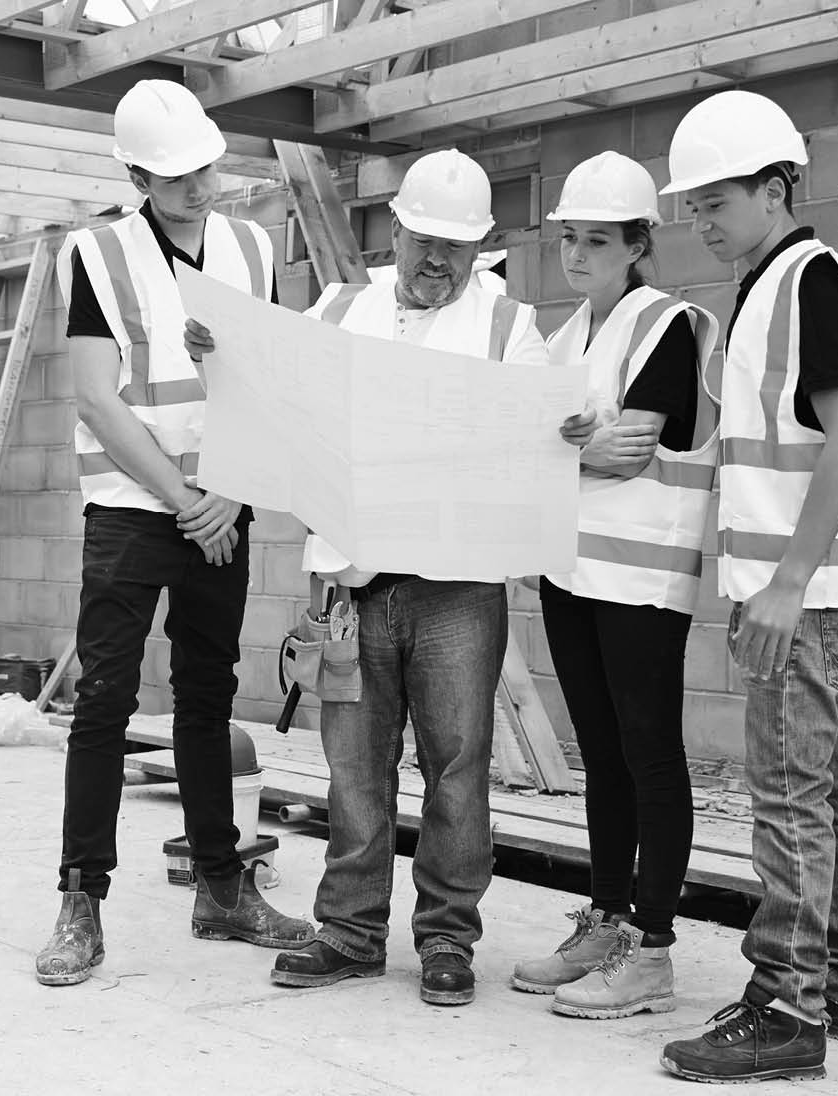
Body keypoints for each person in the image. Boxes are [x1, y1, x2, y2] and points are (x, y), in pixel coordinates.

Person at [653, 91, 838, 1081]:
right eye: (690, 205)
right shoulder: (772, 286)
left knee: (786, 800)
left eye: (714, 200)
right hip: (806, 590)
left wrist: (786, 582)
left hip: (801, 596)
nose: (699, 220)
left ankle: (784, 1007)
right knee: (830, 796)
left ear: (774, 189)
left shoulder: (808, 281)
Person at [236, 150, 549, 1006]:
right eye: (423, 242)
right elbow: (279, 412)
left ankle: (448, 940)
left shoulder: (506, 327)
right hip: (349, 582)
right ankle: (349, 931)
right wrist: (220, 357)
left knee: (458, 768)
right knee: (353, 770)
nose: (437, 261)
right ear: (397, 232)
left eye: (455, 245)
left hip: (457, 586)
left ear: (480, 243)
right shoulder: (338, 308)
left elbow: (527, 436)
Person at [35, 79, 312, 988]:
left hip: (221, 504)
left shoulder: (250, 244)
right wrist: (184, 496)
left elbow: (268, 378)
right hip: (131, 504)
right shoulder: (97, 253)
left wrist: (225, 495)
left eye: (205, 167)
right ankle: (82, 899)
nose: (199, 186)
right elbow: (94, 396)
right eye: (176, 176)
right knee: (107, 700)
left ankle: (221, 888)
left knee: (207, 695)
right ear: (136, 175)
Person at [508, 151, 720, 1020]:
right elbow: (540, 452)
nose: (579, 254)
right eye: (570, 239)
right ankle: (606, 918)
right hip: (572, 571)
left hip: (639, 579)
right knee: (600, 755)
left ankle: (654, 951)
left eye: (599, 239)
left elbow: (632, 449)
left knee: (650, 755)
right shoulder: (565, 340)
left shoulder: (668, 324)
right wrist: (564, 448)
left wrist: (555, 447)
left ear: (639, 244)